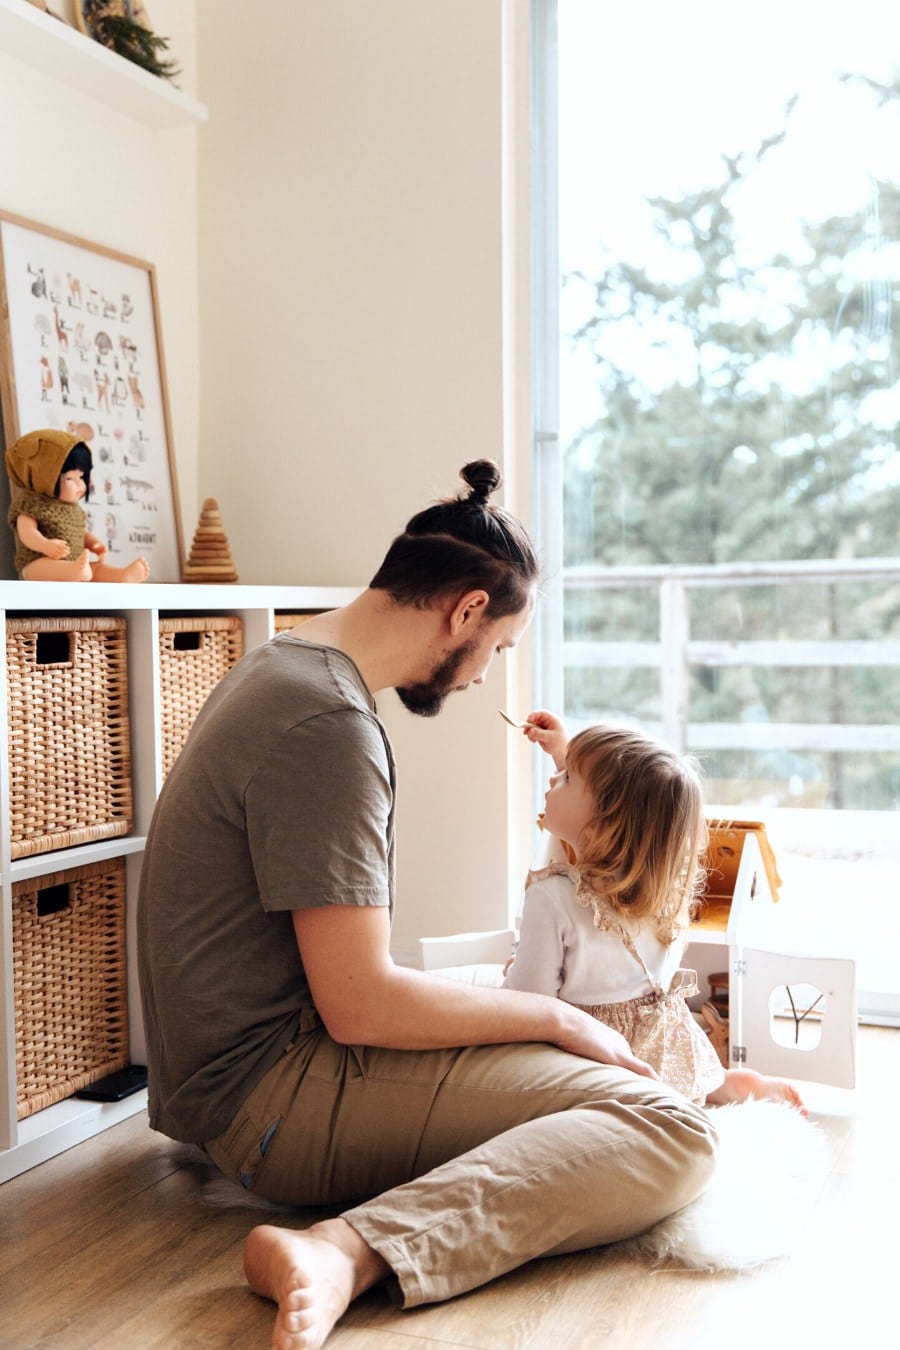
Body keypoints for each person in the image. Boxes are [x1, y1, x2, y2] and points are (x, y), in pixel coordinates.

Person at [137, 461, 717, 1350]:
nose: (487, 676)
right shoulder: (327, 728)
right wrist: (554, 1023)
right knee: (666, 1127)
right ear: (467, 611)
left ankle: (352, 1237)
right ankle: (345, 1249)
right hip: (266, 1101)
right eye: (500, 651)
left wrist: (528, 1021)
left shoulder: (285, 669)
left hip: (228, 1082)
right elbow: (360, 1003)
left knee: (589, 1081)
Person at [505, 709, 805, 1112]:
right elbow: (589, 820)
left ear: (602, 826)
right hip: (665, 1038)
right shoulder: (654, 888)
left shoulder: (551, 896)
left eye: (568, 777)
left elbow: (527, 1003)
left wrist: (512, 972)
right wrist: (562, 753)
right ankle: (726, 1085)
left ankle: (710, 1091)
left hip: (601, 1056)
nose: (552, 779)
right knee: (683, 1085)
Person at [5, 427, 149, 582]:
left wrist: (94, 544)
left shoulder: (74, 510)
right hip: (39, 562)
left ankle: (121, 576)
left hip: (75, 563)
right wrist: (45, 545)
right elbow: (27, 534)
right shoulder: (31, 505)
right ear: (43, 478)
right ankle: (75, 571)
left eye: (81, 477)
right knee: (45, 567)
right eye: (70, 479)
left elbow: (83, 533)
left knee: (95, 569)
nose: (81, 485)